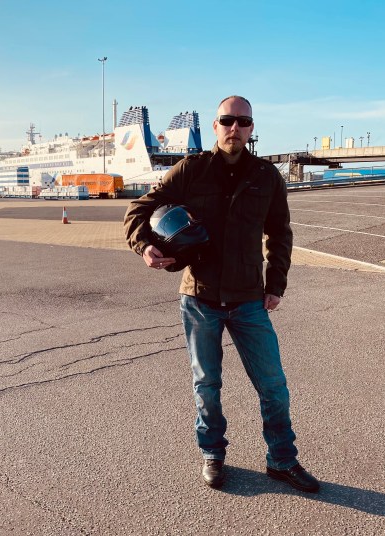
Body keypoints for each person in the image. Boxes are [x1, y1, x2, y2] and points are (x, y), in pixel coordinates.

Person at [123, 95, 319, 493]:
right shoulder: (191, 170)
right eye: (227, 120)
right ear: (215, 126)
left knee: (273, 386)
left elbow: (280, 234)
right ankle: (212, 454)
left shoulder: (266, 176)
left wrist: (275, 285)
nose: (235, 128)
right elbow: (139, 209)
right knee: (207, 386)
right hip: (200, 297)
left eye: (243, 122)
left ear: (251, 128)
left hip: (249, 298)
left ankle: (282, 460)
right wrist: (144, 246)